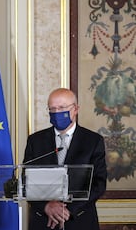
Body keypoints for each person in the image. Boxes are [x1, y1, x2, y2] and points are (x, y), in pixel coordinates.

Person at [23, 88, 107, 230]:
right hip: (43, 221)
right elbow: (25, 181)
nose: (56, 113)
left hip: (80, 220)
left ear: (75, 109)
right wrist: (47, 206)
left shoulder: (93, 141)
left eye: (61, 108)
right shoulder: (35, 141)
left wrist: (67, 211)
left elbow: (98, 184)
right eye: (52, 109)